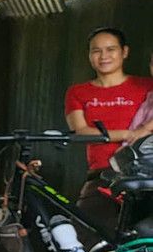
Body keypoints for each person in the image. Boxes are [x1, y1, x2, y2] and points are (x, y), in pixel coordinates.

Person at [63, 27, 153, 232]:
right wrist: (130, 134)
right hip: (103, 176)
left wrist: (145, 128)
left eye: (111, 49)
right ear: (89, 55)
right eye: (96, 51)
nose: (103, 56)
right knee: (81, 240)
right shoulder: (78, 92)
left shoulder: (147, 86)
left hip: (146, 173)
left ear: (125, 52)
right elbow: (81, 132)